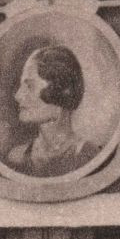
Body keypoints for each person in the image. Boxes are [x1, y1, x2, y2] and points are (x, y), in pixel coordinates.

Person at [6, 46, 100, 177]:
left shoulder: (88, 155)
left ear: (60, 90)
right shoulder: (17, 157)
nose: (17, 95)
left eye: (29, 86)